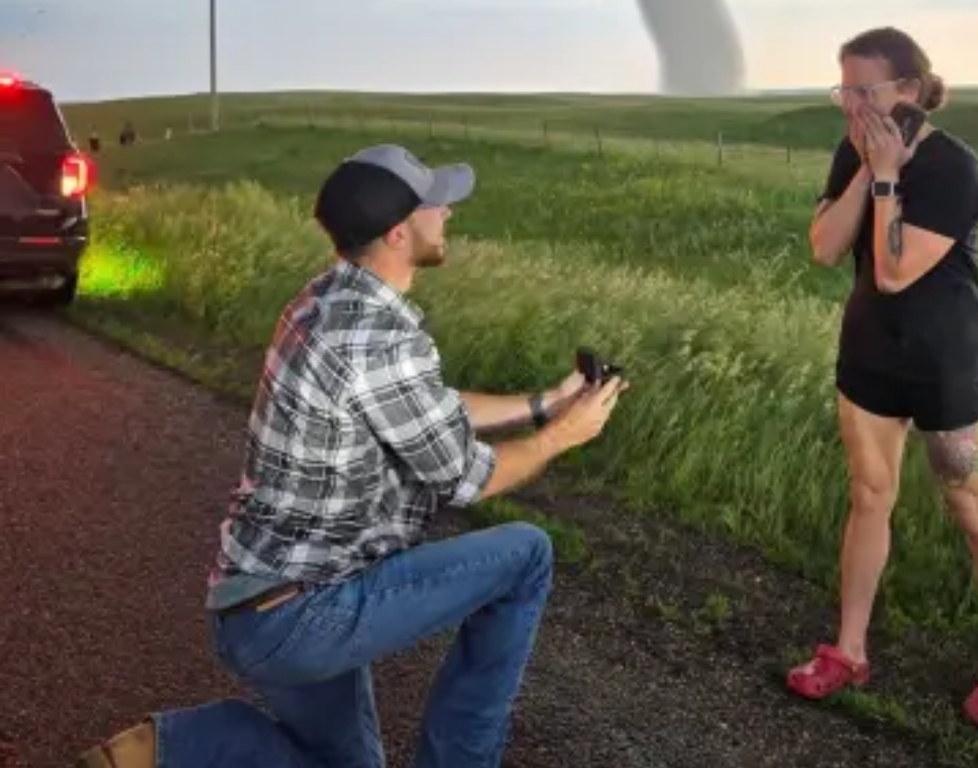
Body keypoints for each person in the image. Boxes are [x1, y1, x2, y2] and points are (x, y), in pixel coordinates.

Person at [78, 144, 629, 768]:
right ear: (399, 233)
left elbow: (423, 406)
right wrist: (564, 434)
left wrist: (544, 403)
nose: (447, 212)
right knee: (527, 554)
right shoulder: (379, 339)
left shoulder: (325, 300)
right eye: (434, 205)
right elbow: (469, 478)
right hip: (302, 614)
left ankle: (167, 751)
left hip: (253, 602)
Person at [784, 27, 978, 730]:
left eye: (865, 91)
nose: (851, 106)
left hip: (948, 370)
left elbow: (894, 271)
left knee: (973, 509)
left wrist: (889, 174)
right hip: (870, 361)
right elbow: (826, 249)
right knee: (868, 495)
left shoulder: (954, 169)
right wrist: (866, 166)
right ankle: (849, 648)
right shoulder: (852, 151)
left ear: (912, 90)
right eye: (844, 90)